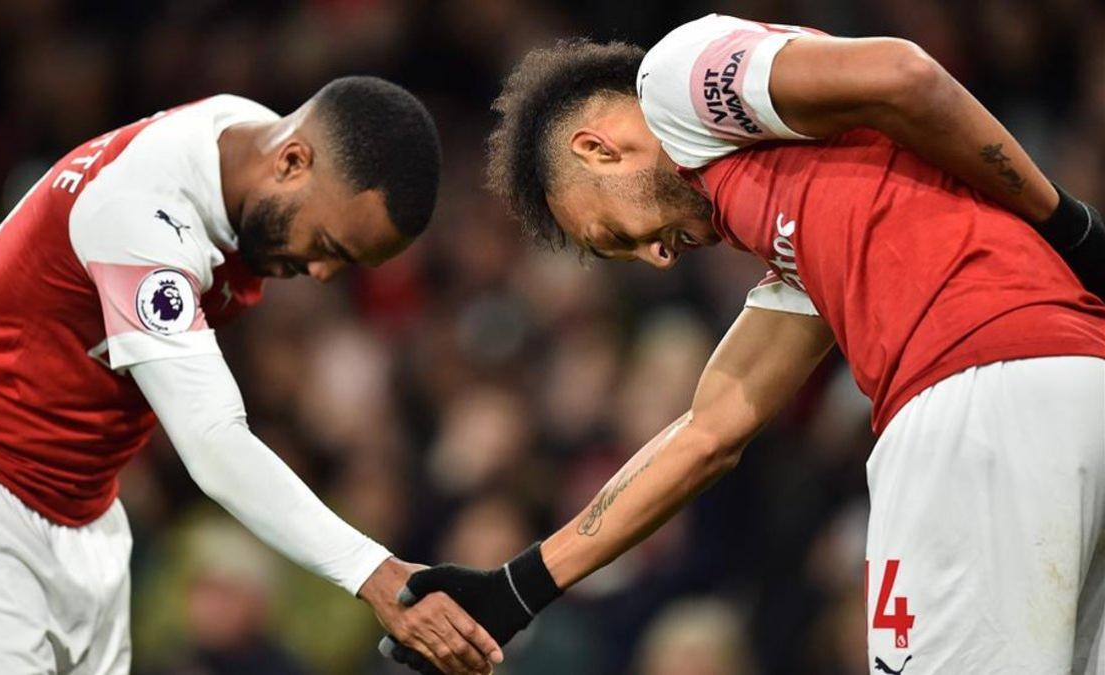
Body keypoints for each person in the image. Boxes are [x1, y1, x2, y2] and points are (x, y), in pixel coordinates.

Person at [383, 14, 1105, 674]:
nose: (655, 258)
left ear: (598, 148)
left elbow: (901, 75)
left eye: (610, 235)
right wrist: (519, 586)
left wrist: (1070, 224)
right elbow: (708, 433)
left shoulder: (671, 81)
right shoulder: (811, 228)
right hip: (1078, 386)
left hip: (973, 400)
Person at [0, 77, 502, 675]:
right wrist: (374, 571)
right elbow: (212, 440)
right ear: (292, 161)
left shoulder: (246, 143)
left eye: (344, 262)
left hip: (84, 510)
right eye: (325, 244)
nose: (321, 273)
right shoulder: (142, 215)